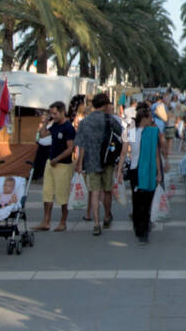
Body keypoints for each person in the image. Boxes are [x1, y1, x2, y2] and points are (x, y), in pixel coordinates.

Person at [76, 92, 123, 236]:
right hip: (107, 161)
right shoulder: (109, 120)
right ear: (105, 105)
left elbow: (80, 144)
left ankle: (96, 223)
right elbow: (121, 133)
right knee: (107, 190)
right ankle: (107, 216)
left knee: (94, 193)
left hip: (91, 161)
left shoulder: (84, 122)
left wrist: (79, 163)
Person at [35, 101, 75, 232]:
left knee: (63, 195)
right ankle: (46, 221)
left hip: (63, 165)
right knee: (47, 192)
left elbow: (70, 149)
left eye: (55, 113)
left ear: (63, 112)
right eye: (51, 113)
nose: (53, 116)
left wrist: (57, 159)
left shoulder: (68, 127)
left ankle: (63, 221)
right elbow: (42, 134)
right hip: (50, 162)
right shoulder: (54, 125)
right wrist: (46, 121)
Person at [129, 107, 164, 244]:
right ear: (144, 119)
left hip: (135, 168)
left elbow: (125, 151)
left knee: (137, 200)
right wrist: (158, 172)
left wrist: (119, 169)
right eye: (150, 117)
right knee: (146, 200)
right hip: (146, 169)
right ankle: (143, 227)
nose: (152, 120)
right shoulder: (151, 132)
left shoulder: (132, 132)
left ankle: (139, 227)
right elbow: (156, 154)